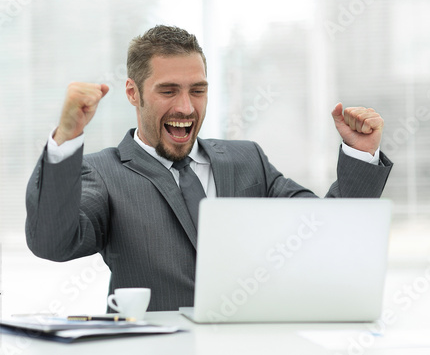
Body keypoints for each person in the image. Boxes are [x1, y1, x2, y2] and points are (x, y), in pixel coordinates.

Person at [25, 25, 393, 312]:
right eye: (168, 90)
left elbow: (326, 232)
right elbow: (53, 243)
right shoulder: (103, 173)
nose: (186, 107)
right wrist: (67, 139)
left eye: (197, 90)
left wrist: (360, 154)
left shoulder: (248, 161)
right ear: (133, 93)